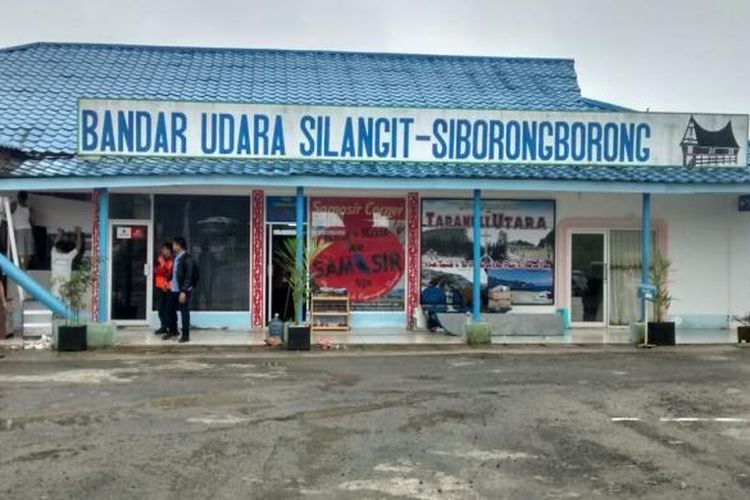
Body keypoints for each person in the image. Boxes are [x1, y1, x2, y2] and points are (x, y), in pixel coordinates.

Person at [163, 236, 198, 343]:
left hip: (183, 290)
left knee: (184, 312)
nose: (172, 246)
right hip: (173, 289)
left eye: (174, 244)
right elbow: (175, 272)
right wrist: (168, 279)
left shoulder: (188, 259)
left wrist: (184, 291)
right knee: (169, 310)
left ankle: (185, 334)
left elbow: (188, 276)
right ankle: (173, 330)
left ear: (179, 246)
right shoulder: (176, 257)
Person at [50, 226, 82, 298]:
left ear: (60, 249)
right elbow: (78, 247)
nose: (56, 248)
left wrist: (59, 233)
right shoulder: (69, 256)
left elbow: (55, 244)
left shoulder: (54, 254)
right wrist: (78, 233)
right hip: (65, 290)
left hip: (57, 291)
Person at [153, 242, 173, 335]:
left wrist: (163, 267)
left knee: (168, 309)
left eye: (164, 249)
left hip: (168, 287)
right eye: (162, 249)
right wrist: (162, 268)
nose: (163, 251)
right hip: (159, 286)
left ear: (169, 250)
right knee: (160, 308)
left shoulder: (172, 260)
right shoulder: (159, 259)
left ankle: (170, 328)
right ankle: (163, 326)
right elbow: (156, 271)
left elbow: (169, 273)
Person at [10, 191, 33, 269]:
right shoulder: (15, 205)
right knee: (22, 252)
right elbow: (9, 213)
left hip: (25, 229)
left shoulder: (27, 207)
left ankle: (24, 268)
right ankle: (22, 268)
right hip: (20, 230)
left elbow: (31, 221)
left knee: (27, 252)